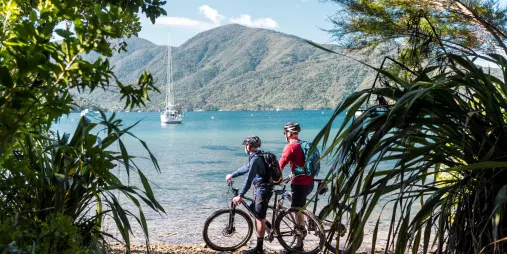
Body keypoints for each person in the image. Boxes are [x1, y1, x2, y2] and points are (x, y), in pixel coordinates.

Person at [226, 136, 273, 254]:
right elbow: (246, 168)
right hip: (263, 188)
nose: (245, 148)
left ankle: (259, 249)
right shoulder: (257, 156)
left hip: (262, 190)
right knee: (252, 211)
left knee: (259, 218)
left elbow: (249, 178)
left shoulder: (255, 159)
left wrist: (240, 195)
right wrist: (233, 174)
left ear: (248, 146)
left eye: (245, 146)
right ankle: (270, 228)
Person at [279, 122, 314, 250]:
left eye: (285, 133)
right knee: (299, 206)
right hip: (310, 182)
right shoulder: (304, 144)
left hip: (299, 184)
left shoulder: (290, 147)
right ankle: (308, 218)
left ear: (288, 134)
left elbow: (279, 166)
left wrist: (272, 178)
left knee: (295, 211)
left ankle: (299, 243)